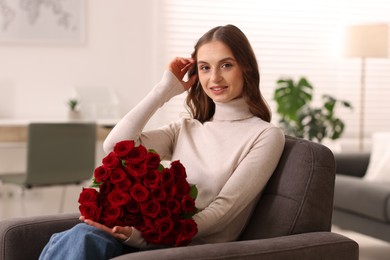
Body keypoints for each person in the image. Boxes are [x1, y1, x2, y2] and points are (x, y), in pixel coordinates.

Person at [39, 24, 285, 259]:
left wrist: (142, 238)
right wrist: (164, 90)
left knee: (82, 238)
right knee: (75, 237)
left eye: (226, 65)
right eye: (205, 67)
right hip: (151, 237)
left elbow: (223, 210)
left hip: (191, 247)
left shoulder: (265, 135)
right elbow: (116, 147)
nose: (215, 78)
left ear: (246, 68)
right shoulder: (186, 128)